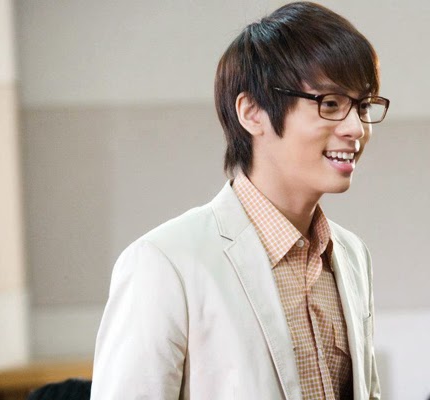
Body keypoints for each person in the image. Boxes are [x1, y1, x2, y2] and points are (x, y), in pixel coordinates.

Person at [90, 2, 389, 399]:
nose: (356, 128)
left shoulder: (351, 255)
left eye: (363, 106)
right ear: (252, 112)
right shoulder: (164, 263)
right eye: (330, 103)